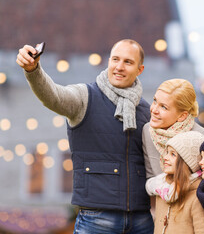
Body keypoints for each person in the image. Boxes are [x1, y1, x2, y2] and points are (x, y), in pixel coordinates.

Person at [16, 40, 154, 233]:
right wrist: (33, 70)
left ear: (140, 69)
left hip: (142, 220)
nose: (119, 67)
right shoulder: (85, 96)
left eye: (128, 62)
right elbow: (54, 96)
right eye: (115, 59)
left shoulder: (147, 111)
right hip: (97, 219)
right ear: (108, 61)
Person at [142, 78, 204, 180]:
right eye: (155, 101)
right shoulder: (147, 130)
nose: (154, 110)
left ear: (182, 116)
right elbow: (150, 177)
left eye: (164, 107)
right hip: (159, 194)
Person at [146, 131, 204, 234]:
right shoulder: (162, 190)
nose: (165, 157)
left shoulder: (197, 196)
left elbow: (202, 231)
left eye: (173, 154)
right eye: (167, 152)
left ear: (187, 162)